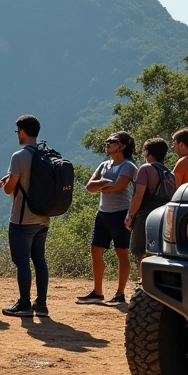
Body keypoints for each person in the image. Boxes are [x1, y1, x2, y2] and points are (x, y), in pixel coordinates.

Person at [0, 114, 51, 317]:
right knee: (40, 259)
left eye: (17, 131)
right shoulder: (46, 154)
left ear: (23, 132)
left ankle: (24, 304)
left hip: (22, 218)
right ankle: (41, 304)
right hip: (43, 217)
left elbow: (10, 189)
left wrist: (6, 183)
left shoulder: (19, 156)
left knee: (21, 261)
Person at [78, 131, 138, 306]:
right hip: (102, 214)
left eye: (112, 141)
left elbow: (118, 186)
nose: (107, 144)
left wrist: (101, 184)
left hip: (121, 213)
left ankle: (120, 293)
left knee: (121, 252)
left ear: (122, 145)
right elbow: (89, 187)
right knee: (95, 250)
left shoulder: (128, 166)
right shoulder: (104, 164)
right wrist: (105, 184)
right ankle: (98, 292)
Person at [125, 138, 175, 274]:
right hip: (164, 216)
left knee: (141, 252)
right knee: (158, 253)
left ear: (147, 152)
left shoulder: (146, 168)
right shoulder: (170, 172)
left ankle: (142, 286)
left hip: (146, 216)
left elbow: (138, 196)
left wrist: (130, 217)